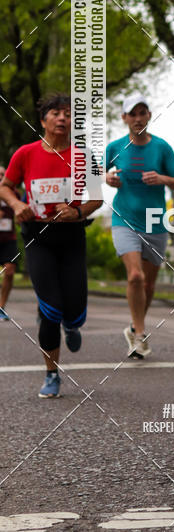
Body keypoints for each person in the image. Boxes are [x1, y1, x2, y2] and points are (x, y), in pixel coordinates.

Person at [0, 94, 103, 397]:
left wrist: (78, 211)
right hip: (37, 236)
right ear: (43, 120)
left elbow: (97, 197)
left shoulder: (84, 155)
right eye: (56, 113)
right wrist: (17, 204)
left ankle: (72, 325)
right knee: (50, 308)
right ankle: (51, 373)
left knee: (74, 312)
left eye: (69, 114)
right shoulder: (25, 153)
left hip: (72, 236)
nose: (63, 118)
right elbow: (6, 186)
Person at [105, 92, 174, 359]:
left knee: (149, 286)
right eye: (133, 114)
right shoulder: (115, 147)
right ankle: (140, 335)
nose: (138, 118)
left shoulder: (161, 147)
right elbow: (96, 175)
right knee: (136, 277)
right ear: (124, 118)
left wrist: (163, 178)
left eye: (142, 113)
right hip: (124, 218)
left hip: (155, 221)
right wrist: (108, 178)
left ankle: (133, 327)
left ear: (149, 115)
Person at [0, 166, 18, 320]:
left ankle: (1, 307)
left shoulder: (14, 194)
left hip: (9, 239)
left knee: (10, 270)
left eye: (2, 174)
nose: (0, 177)